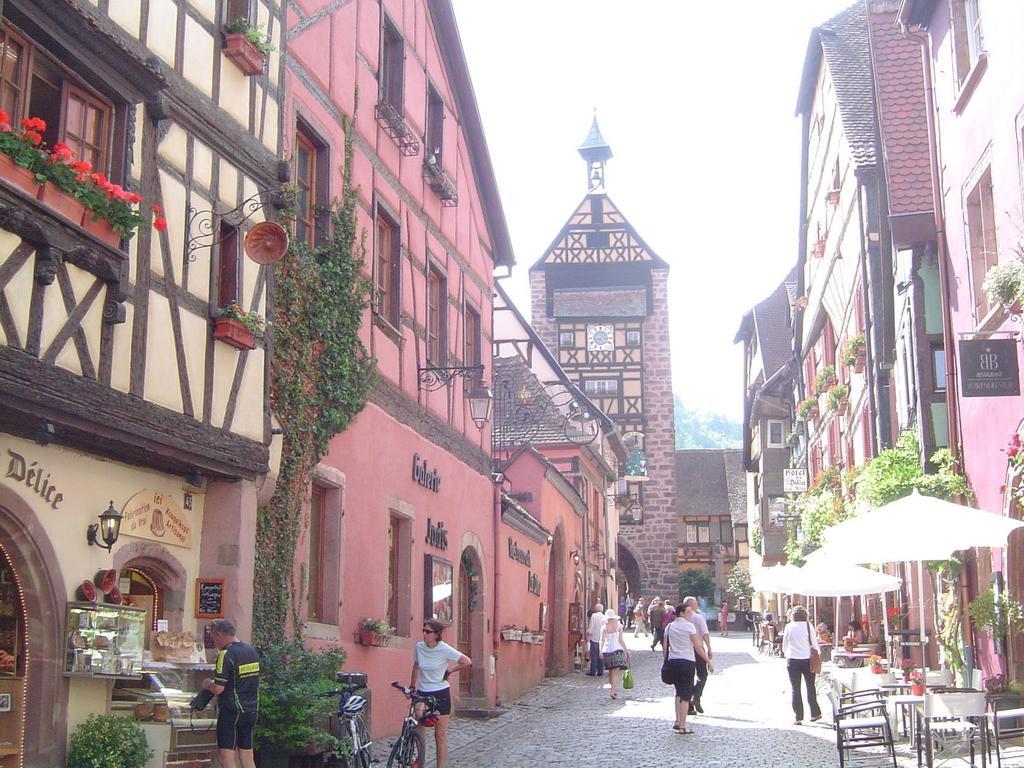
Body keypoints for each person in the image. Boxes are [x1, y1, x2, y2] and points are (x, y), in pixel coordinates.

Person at [409, 619, 472, 768]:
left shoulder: (444, 649)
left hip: (441, 693)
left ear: (436, 634)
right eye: (423, 631)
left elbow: (466, 661)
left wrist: (449, 670)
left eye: (428, 632)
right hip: (423, 692)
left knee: (440, 735)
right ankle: (421, 757)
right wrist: (412, 686)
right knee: (418, 717)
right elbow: (416, 666)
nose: (424, 634)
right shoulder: (419, 647)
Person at [200, 619, 260, 768]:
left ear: (220, 634)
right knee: (247, 756)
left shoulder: (225, 654)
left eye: (214, 637)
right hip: (251, 710)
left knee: (226, 756)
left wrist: (207, 684)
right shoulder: (250, 650)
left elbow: (218, 688)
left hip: (231, 711)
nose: (214, 642)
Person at [664, 602, 713, 735]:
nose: (691, 615)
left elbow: (665, 648)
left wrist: (667, 661)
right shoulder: (690, 627)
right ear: (681, 613)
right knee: (685, 695)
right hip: (687, 662)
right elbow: (697, 646)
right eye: (689, 613)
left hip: (673, 662)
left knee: (678, 692)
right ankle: (683, 726)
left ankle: (677, 720)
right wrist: (708, 660)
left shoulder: (669, 627)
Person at [782, 605, 821, 725]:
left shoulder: (789, 626)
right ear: (805, 615)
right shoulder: (809, 626)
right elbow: (814, 644)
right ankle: (815, 713)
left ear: (793, 616)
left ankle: (798, 717)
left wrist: (787, 653)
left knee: (795, 689)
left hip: (793, 659)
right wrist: (818, 655)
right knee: (810, 686)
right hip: (807, 659)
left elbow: (785, 645)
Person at [683, 596, 712, 715]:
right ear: (691, 605)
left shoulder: (680, 619)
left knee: (688, 678)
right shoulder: (699, 617)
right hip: (698, 649)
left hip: (685, 651)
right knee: (702, 675)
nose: (697, 606)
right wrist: (709, 648)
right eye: (695, 604)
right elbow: (705, 634)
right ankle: (696, 695)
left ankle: (689, 706)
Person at [600, 609, 630, 700]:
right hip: (618, 649)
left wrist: (600, 651)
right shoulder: (619, 626)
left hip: (608, 649)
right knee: (615, 672)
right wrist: (626, 650)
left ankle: (613, 689)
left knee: (610, 671)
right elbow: (621, 640)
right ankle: (613, 689)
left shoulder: (604, 627)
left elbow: (602, 640)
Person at [586, 603, 607, 676]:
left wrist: (589, 632)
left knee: (593, 655)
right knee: (600, 655)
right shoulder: (605, 617)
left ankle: (593, 671)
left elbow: (591, 626)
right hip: (602, 639)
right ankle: (600, 671)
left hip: (594, 638)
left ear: (596, 609)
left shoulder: (594, 616)